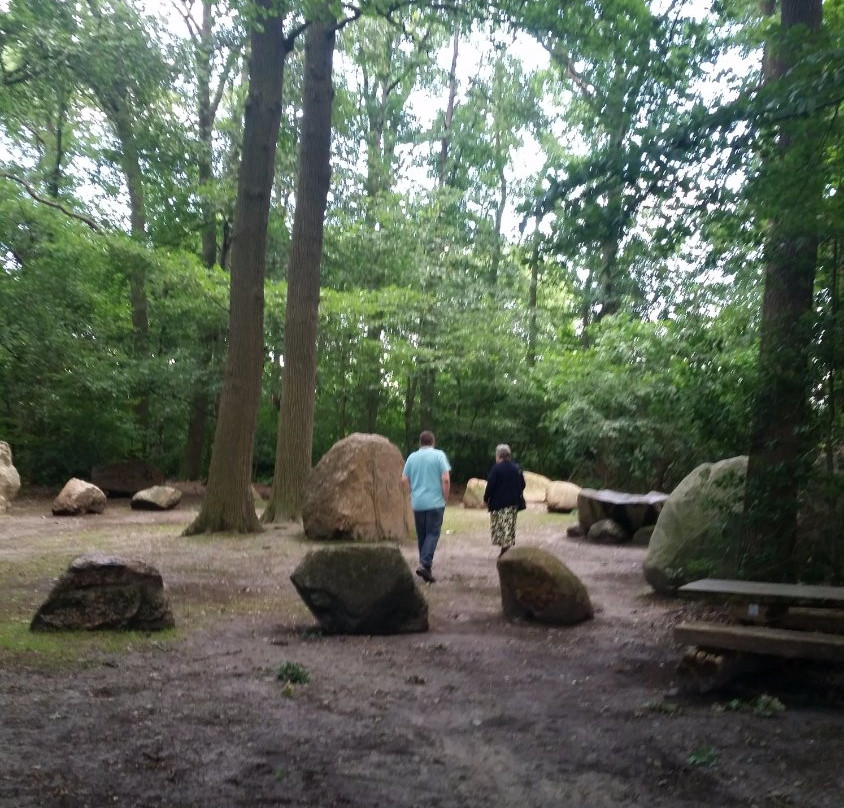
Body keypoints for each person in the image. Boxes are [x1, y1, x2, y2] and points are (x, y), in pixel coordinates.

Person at [402, 430, 451, 583]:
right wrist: (445, 497)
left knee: (422, 535)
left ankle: (426, 569)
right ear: (433, 442)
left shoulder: (412, 457)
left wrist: (412, 492)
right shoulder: (439, 455)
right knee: (432, 534)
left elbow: (404, 479)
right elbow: (445, 479)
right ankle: (424, 564)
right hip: (435, 502)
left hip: (418, 503)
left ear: (420, 442)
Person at [483, 443, 526, 556]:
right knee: (509, 526)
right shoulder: (516, 468)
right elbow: (523, 484)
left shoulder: (496, 469)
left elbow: (490, 485)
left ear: (498, 456)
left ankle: (504, 550)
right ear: (509, 456)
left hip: (498, 503)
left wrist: (486, 498)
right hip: (513, 503)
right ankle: (505, 548)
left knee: (500, 527)